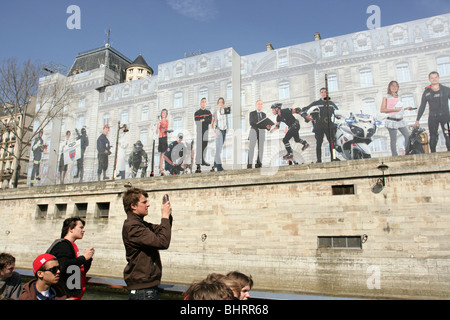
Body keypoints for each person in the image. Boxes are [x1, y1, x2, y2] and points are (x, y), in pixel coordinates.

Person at [122, 188, 173, 300]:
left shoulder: (141, 225)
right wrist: (164, 216)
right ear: (133, 206)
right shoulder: (133, 227)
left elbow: (163, 230)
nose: (148, 205)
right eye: (144, 202)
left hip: (146, 289)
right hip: (143, 290)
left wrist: (168, 215)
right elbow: (163, 242)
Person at [47, 217, 94, 300]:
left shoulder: (70, 246)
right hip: (65, 296)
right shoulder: (63, 245)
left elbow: (77, 270)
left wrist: (88, 258)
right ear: (71, 229)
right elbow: (63, 266)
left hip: (72, 295)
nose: (83, 230)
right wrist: (83, 258)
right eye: (81, 227)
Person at [414, 71, 450, 153]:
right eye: (432, 78)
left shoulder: (446, 90)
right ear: (429, 79)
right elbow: (422, 106)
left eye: (435, 77)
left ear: (438, 78)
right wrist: (417, 120)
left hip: (446, 116)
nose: (434, 79)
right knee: (433, 137)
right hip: (433, 117)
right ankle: (433, 154)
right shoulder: (427, 92)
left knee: (448, 135)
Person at [302, 88, 339, 163]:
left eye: (325, 92)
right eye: (322, 92)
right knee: (319, 143)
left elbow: (338, 112)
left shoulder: (331, 104)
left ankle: (334, 158)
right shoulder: (316, 103)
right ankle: (319, 160)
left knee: (332, 142)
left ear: (327, 93)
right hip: (319, 125)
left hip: (329, 125)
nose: (324, 93)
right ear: (320, 93)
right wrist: (306, 116)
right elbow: (304, 110)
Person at [380, 81, 413, 156]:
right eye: (393, 86)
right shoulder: (386, 96)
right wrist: (394, 110)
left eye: (396, 86)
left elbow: (398, 109)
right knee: (393, 139)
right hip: (391, 121)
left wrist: (406, 108)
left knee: (407, 136)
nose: (394, 87)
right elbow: (382, 110)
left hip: (400, 120)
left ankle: (408, 152)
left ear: (398, 88)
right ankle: (395, 155)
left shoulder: (399, 97)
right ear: (389, 87)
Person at [248, 100, 272, 168]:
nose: (260, 105)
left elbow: (265, 124)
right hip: (253, 132)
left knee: (261, 149)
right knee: (251, 148)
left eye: (261, 104)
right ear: (256, 105)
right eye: (258, 104)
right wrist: (261, 124)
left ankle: (258, 164)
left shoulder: (264, 114)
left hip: (261, 133)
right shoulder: (252, 113)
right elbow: (252, 123)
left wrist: (268, 127)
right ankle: (249, 165)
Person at [194, 98, 212, 173]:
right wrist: (205, 120)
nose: (204, 103)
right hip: (199, 132)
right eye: (202, 102)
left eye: (205, 102)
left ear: (206, 103)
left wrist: (203, 120)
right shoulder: (197, 112)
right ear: (200, 103)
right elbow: (197, 122)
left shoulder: (208, 112)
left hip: (206, 131)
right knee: (199, 147)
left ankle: (203, 160)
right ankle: (198, 164)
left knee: (204, 146)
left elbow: (210, 121)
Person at [212, 97, 229, 171]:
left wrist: (226, 107)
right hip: (218, 131)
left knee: (219, 149)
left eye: (222, 102)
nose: (221, 103)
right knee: (218, 149)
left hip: (224, 131)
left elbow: (231, 110)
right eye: (219, 102)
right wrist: (214, 133)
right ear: (217, 104)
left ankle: (215, 166)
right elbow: (211, 124)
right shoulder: (215, 113)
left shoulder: (225, 111)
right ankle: (219, 167)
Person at [157, 109, 169, 176]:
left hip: (165, 137)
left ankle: (160, 166)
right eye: (163, 113)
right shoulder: (160, 121)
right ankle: (161, 168)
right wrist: (158, 125)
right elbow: (157, 130)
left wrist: (167, 131)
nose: (164, 114)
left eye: (165, 113)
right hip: (161, 137)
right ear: (161, 114)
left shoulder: (167, 121)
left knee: (163, 153)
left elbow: (166, 129)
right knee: (162, 153)